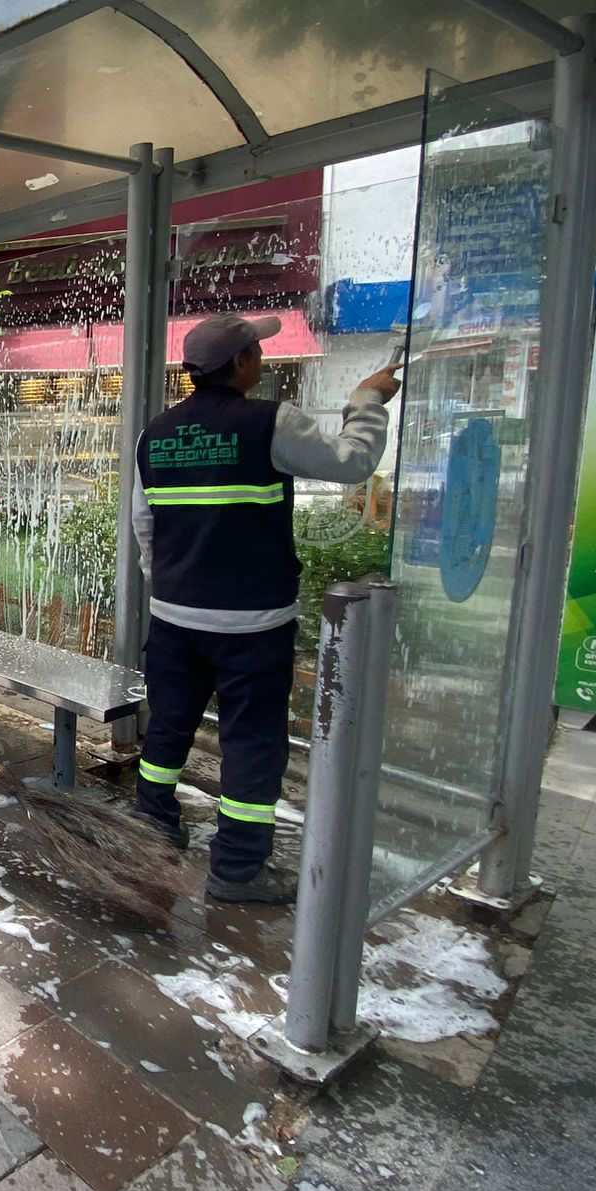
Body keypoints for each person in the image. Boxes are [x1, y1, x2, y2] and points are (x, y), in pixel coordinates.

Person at [131, 314, 401, 905]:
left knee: (169, 724)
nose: (262, 359)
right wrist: (366, 399)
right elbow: (352, 462)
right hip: (253, 626)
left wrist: (177, 583)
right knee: (252, 742)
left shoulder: (155, 434)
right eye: (257, 350)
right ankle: (237, 869)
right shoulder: (270, 421)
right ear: (245, 364)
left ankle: (152, 824)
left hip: (175, 618)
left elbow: (144, 523)